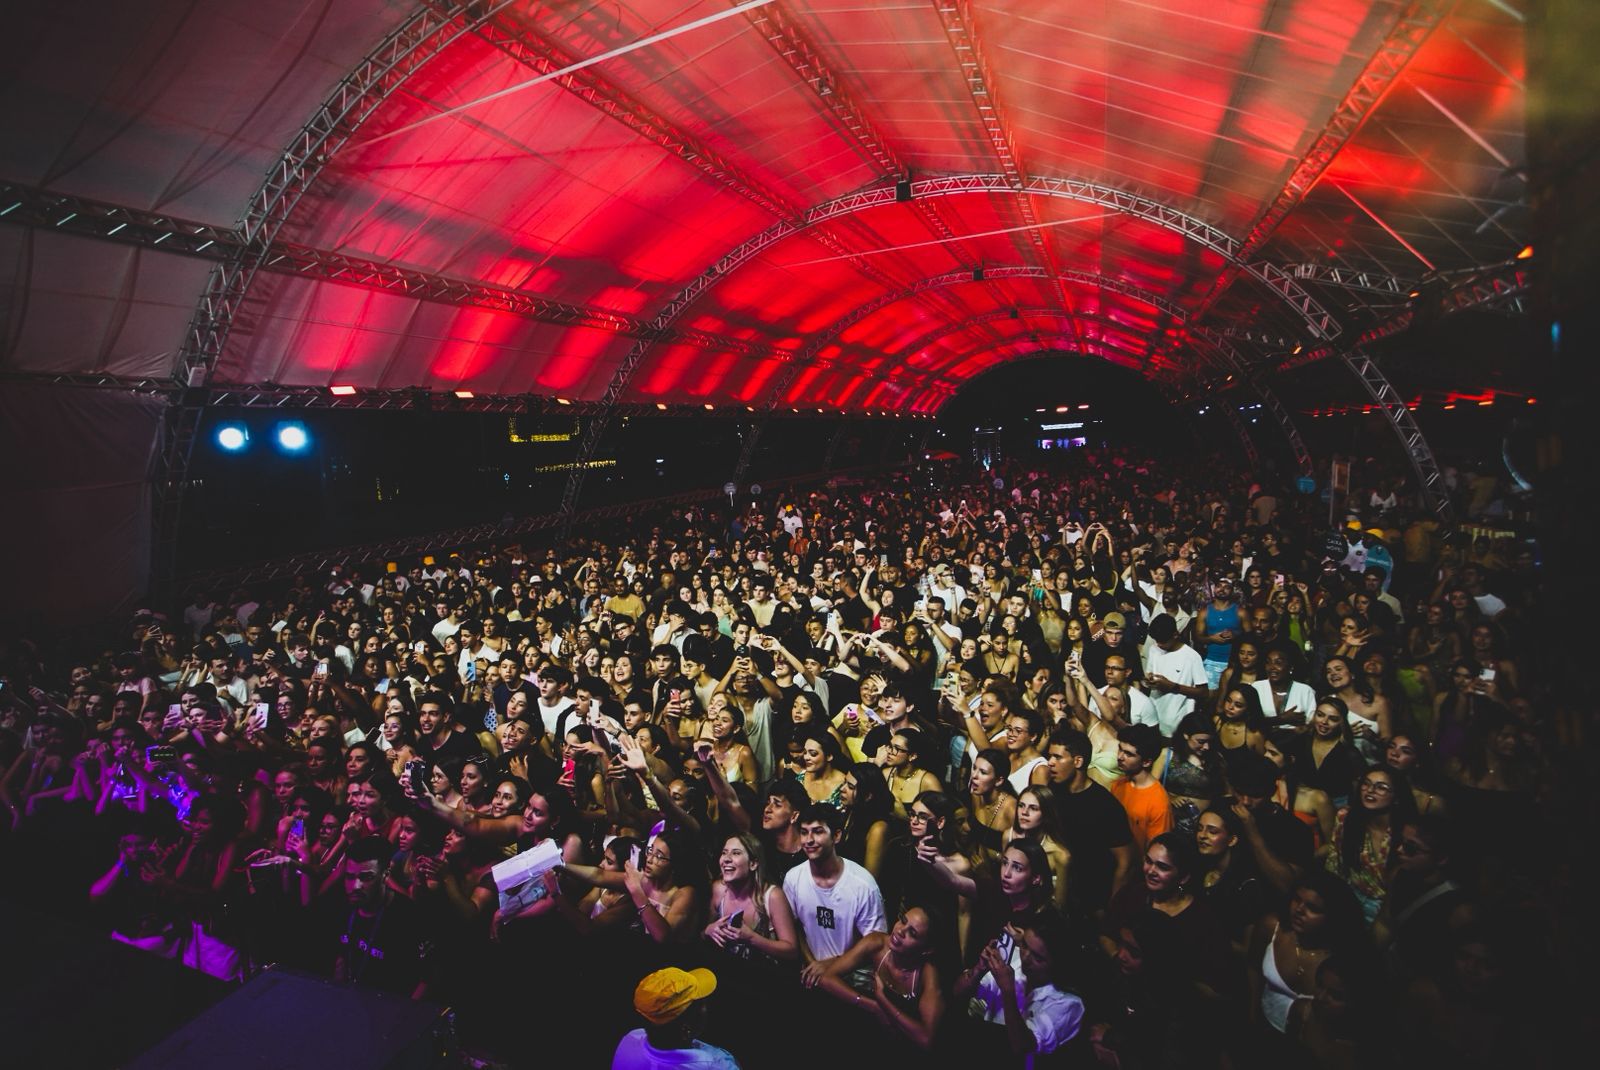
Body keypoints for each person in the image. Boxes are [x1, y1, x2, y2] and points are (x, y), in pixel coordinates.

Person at [954, 910, 1086, 1065]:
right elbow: (957, 993)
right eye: (1024, 945)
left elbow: (1023, 1046)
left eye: (1037, 957)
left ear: (1058, 964)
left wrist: (1007, 990)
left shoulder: (1069, 1004)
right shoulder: (1013, 957)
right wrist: (978, 969)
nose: (1025, 957)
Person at [785, 803, 888, 987]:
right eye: (804, 832)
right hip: (811, 976)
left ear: (837, 836)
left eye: (818, 832)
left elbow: (876, 944)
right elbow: (794, 927)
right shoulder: (793, 878)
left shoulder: (863, 885)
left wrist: (831, 965)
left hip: (855, 981)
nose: (809, 840)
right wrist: (813, 964)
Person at [816, 906, 945, 1049]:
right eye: (903, 921)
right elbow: (826, 979)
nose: (900, 931)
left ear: (927, 950)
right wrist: (874, 1006)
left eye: (912, 933)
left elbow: (926, 1038)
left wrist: (884, 1002)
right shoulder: (877, 944)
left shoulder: (929, 974)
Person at [612, 967, 741, 1069]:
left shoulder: (630, 1038)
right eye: (702, 1002)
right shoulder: (718, 1065)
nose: (707, 1006)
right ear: (686, 1028)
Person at [704, 833, 799, 967]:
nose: (726, 859)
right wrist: (709, 930)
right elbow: (702, 934)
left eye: (736, 853)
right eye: (724, 853)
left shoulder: (772, 896)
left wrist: (752, 938)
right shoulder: (719, 890)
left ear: (753, 864)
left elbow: (792, 951)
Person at [1108, 724, 1172, 853]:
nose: (1120, 757)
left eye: (1128, 754)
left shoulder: (1158, 801)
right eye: (1120, 749)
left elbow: (1157, 851)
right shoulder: (1118, 784)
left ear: (1146, 762)